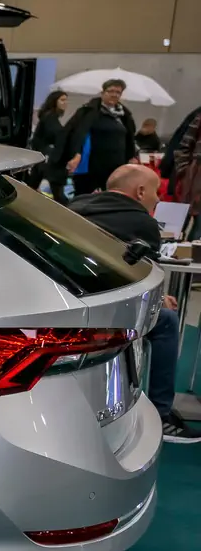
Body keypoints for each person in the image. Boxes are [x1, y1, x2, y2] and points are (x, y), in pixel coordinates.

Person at [67, 164, 200, 444]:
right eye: (155, 192)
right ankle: (163, 413)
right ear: (140, 191)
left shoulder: (72, 207)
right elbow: (141, 276)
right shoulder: (142, 223)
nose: (156, 199)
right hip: (109, 312)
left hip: (67, 302)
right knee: (166, 321)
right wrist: (159, 297)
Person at [57, 79, 138, 199]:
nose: (114, 94)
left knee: (111, 198)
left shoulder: (124, 115)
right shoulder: (90, 111)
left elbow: (129, 137)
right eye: (111, 91)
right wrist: (76, 153)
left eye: (118, 92)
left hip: (116, 165)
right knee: (83, 197)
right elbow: (76, 133)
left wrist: (132, 156)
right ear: (103, 92)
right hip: (92, 165)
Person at [30, 90, 70, 196]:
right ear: (54, 101)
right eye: (62, 100)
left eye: (66, 100)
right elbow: (56, 135)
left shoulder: (50, 117)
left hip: (43, 158)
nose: (65, 103)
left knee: (32, 186)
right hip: (46, 159)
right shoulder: (50, 118)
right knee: (58, 193)